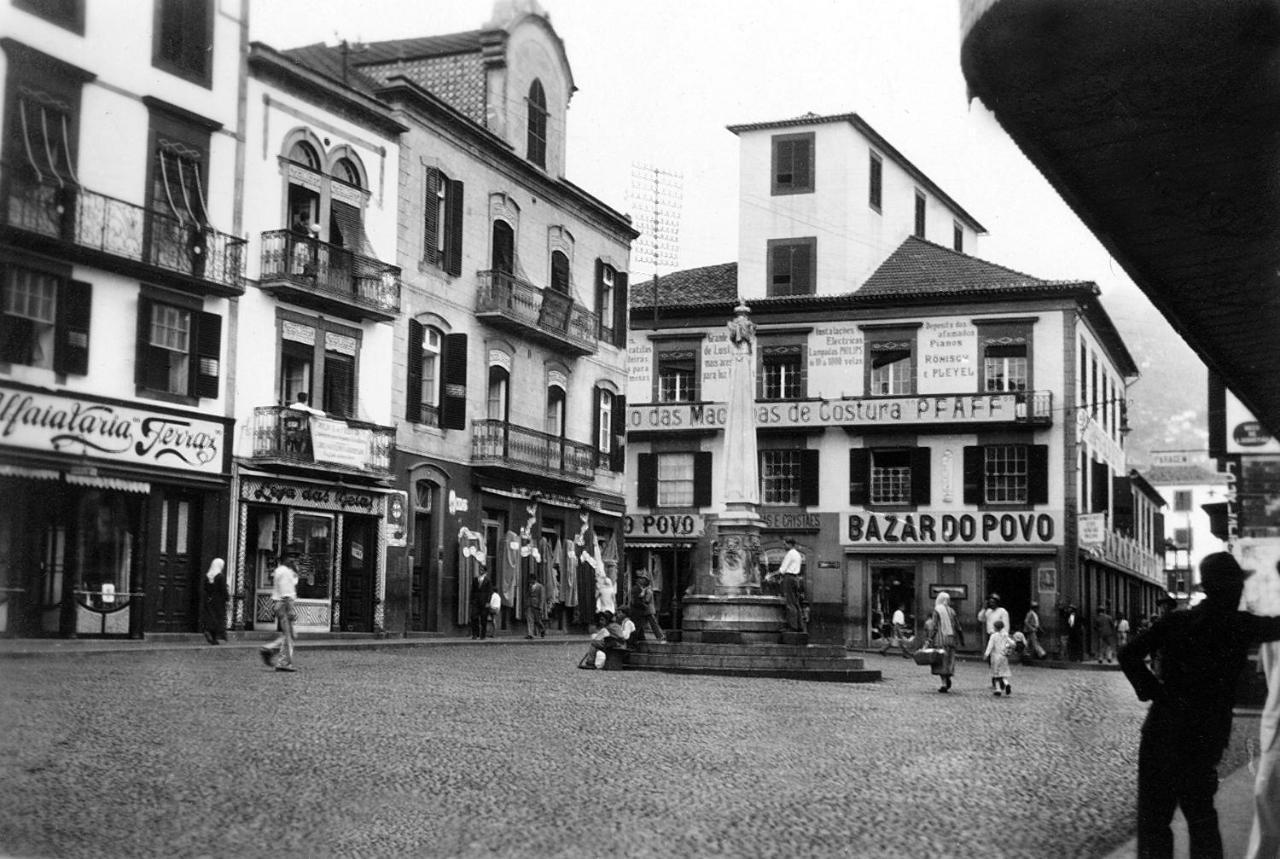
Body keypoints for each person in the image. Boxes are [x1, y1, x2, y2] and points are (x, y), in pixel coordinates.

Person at [1120, 552, 1280, 859]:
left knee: (1155, 821)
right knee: (1202, 819)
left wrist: (1154, 692)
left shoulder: (1177, 621)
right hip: (1202, 737)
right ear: (1228, 588)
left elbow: (1128, 654)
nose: (1239, 591)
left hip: (1161, 731)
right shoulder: (1239, 625)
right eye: (1236, 585)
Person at [260, 544, 301, 672]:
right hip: (284, 605)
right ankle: (281, 659)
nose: (294, 559)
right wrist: (291, 611)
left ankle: (272, 650)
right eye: (291, 557)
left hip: (281, 604)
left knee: (289, 635)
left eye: (296, 557)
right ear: (285, 558)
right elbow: (286, 594)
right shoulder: (285, 572)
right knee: (289, 635)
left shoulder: (281, 570)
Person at [927, 591, 965, 693]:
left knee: (941, 662)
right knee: (950, 660)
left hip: (940, 640)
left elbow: (934, 627)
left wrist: (929, 639)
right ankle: (948, 674)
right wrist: (962, 639)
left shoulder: (936, 610)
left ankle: (944, 683)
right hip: (951, 640)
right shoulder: (952, 611)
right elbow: (958, 626)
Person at [778, 537, 806, 633]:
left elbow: (782, 569)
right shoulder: (797, 554)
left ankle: (792, 627)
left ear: (790, 544)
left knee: (789, 603)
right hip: (795, 578)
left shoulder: (790, 554)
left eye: (785, 544)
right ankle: (800, 626)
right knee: (795, 602)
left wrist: (771, 575)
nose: (784, 546)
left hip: (788, 578)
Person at [630, 572, 666, 643]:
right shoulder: (643, 589)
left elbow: (646, 600)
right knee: (641, 624)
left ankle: (660, 636)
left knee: (653, 623)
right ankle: (641, 637)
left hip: (648, 610)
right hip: (645, 610)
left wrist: (642, 598)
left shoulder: (648, 590)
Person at [983, 618, 1014, 696]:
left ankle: (998, 689)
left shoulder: (993, 636)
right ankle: (1006, 684)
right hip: (1004, 656)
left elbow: (990, 646)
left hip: (995, 656)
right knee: (1003, 673)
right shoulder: (1005, 635)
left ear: (996, 628)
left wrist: (986, 654)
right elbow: (1012, 643)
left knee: (996, 674)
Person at [201, 558, 228, 645]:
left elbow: (205, 588)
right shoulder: (220, 577)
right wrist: (227, 598)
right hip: (219, 601)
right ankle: (215, 637)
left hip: (210, 600)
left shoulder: (208, 576)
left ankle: (210, 634)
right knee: (218, 618)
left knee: (211, 617)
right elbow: (223, 590)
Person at [470, 561, 493, 640]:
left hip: (484, 602)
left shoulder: (488, 580)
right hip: (476, 602)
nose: (480, 571)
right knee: (474, 617)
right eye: (480, 570)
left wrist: (488, 602)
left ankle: (483, 635)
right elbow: (472, 590)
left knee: (483, 619)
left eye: (482, 570)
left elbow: (490, 592)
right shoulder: (475, 579)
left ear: (485, 571)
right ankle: (475, 634)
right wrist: (472, 600)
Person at [525, 575, 546, 640]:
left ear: (534, 579)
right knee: (529, 619)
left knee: (537, 620)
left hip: (536, 605)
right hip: (529, 604)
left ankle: (542, 629)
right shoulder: (530, 586)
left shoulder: (540, 587)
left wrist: (541, 606)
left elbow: (542, 597)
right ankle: (530, 634)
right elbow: (528, 595)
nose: (530, 581)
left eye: (531, 580)